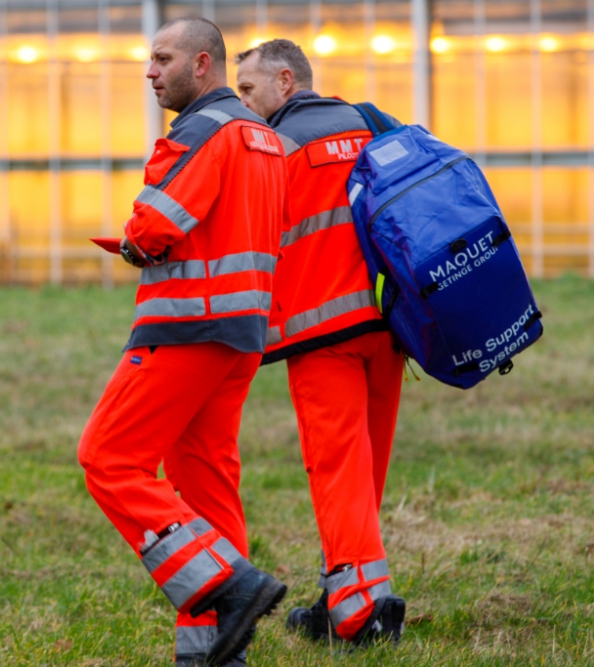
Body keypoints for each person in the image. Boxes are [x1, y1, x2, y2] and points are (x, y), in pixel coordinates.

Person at [78, 17, 290, 667]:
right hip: (240, 333)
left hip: (184, 326)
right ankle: (214, 653)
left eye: (162, 58)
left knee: (109, 458)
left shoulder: (198, 131)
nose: (150, 71)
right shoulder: (261, 136)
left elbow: (155, 224)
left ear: (203, 65)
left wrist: (135, 240)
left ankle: (224, 585)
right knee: (205, 483)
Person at [234, 39, 406, 647]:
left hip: (322, 333)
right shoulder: (371, 121)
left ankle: (360, 620)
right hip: (391, 330)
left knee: (338, 471)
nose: (243, 104)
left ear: (285, 81)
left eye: (249, 90)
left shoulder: (271, 145)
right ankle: (344, 594)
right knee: (366, 473)